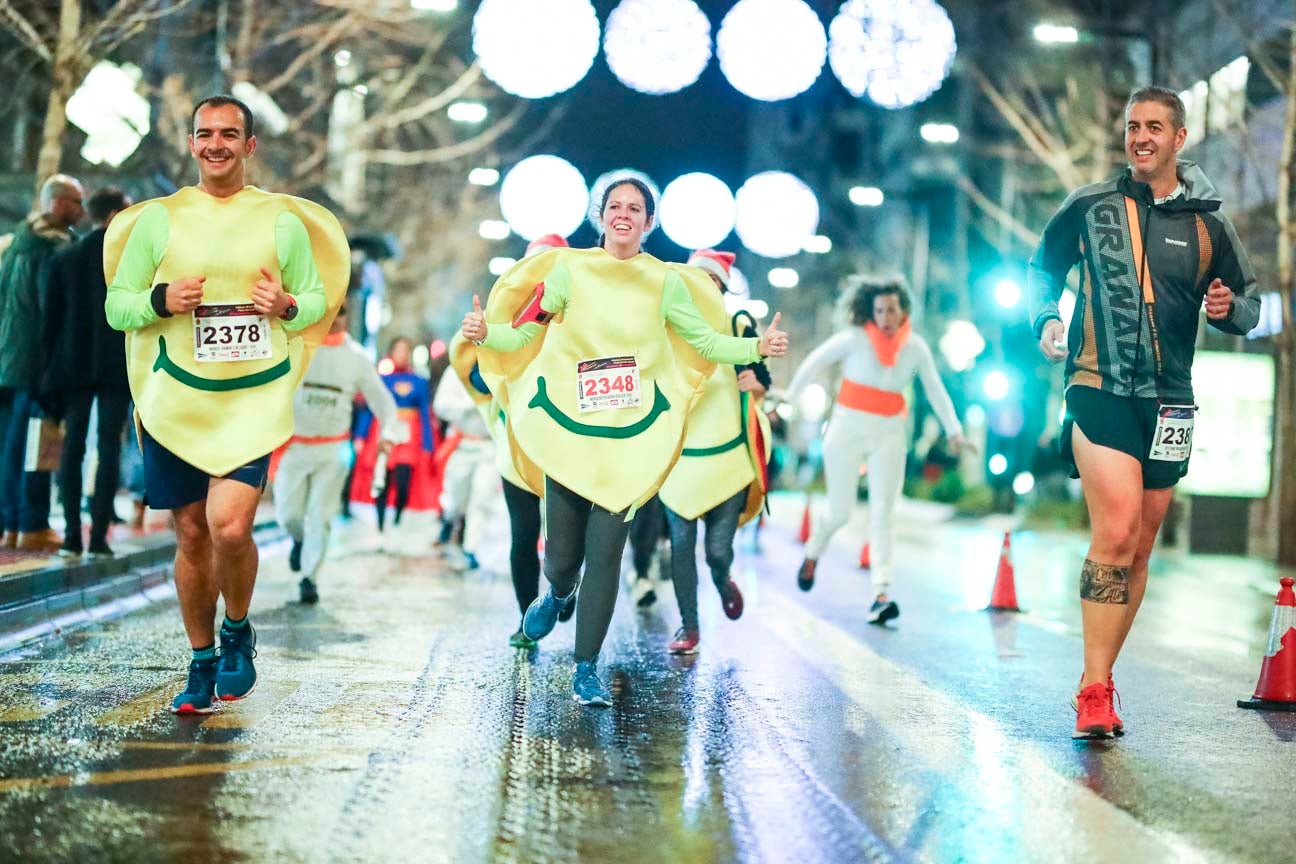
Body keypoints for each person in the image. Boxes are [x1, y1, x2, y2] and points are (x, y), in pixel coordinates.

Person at [464, 176, 789, 706]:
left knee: (607, 556)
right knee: (564, 556)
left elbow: (704, 340)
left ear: (648, 221)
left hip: (631, 441)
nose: (623, 214)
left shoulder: (663, 281)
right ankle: (558, 590)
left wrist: (757, 345)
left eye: (634, 208)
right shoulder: (568, 270)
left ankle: (586, 667)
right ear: (600, 216)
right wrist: (486, 334)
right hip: (570, 434)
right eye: (614, 206)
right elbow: (526, 333)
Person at [1028, 86, 1259, 740]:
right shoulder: (1090, 205)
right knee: (1118, 526)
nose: (1141, 137)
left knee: (1140, 545)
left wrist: (1229, 309)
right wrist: (1046, 315)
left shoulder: (1209, 223)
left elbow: (1249, 300)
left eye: (1155, 127)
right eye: (1133, 126)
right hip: (1099, 385)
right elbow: (1042, 271)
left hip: (1172, 399)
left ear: (1179, 138)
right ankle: (1094, 689)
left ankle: (1100, 678)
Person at [104, 94, 348, 714]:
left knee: (229, 526)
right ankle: (201, 658)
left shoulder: (279, 220)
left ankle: (237, 629)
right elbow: (117, 306)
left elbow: (316, 298)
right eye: (205, 133)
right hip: (173, 399)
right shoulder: (158, 220)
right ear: (191, 144)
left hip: (249, 399)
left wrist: (288, 307)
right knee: (189, 533)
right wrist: (159, 300)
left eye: (229, 134)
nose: (216, 143)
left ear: (249, 145)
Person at [786, 275, 971, 624]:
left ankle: (881, 593)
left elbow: (935, 389)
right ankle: (814, 552)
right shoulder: (855, 339)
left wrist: (955, 431)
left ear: (903, 313)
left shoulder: (915, 347)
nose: (886, 317)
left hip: (888, 433)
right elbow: (814, 362)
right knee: (840, 512)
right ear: (870, 312)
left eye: (892, 311)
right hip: (846, 429)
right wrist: (791, 396)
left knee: (884, 512)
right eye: (880, 311)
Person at [658, 249, 773, 655]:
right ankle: (689, 627)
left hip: (729, 460)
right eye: (698, 282)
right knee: (680, 548)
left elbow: (763, 380)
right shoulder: (667, 325)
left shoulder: (739, 324)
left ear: (724, 289)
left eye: (715, 283)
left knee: (717, 551)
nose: (706, 289)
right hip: (678, 463)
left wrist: (755, 384)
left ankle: (724, 578)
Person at [274, 303, 396, 604]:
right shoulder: (296, 346)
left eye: (342, 311)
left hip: (334, 449)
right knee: (288, 515)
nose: (336, 317)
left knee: (321, 515)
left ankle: (309, 578)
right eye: (331, 311)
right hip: (295, 445)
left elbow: (385, 405)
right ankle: (298, 539)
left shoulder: (356, 359)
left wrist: (387, 435)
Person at [41, 186, 133, 558]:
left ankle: (71, 536)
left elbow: (51, 320)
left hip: (72, 364)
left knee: (72, 449)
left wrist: (50, 368)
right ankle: (99, 537)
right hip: (115, 365)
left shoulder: (66, 256)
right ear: (112, 215)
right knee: (110, 447)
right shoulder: (127, 258)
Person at [0, 174, 84, 552]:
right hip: (39, 362)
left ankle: (12, 522)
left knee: (12, 443)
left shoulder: (17, 244)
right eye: (75, 202)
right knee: (39, 443)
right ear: (56, 203)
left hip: (11, 359)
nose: (80, 211)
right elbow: (52, 312)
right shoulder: (53, 249)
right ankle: (32, 522)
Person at [350, 337, 437, 532]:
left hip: (409, 438)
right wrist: (360, 436)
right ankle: (380, 524)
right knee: (382, 477)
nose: (402, 355)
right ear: (391, 353)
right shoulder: (381, 380)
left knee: (403, 480)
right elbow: (370, 408)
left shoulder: (420, 382)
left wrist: (427, 443)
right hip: (384, 433)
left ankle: (397, 517)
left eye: (406, 351)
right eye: (398, 350)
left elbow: (425, 413)